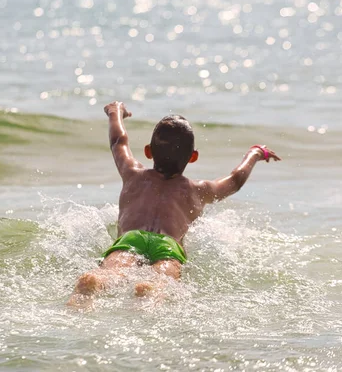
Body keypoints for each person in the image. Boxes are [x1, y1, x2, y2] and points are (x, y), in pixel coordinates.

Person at [67, 101, 281, 306]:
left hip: (131, 237)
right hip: (168, 246)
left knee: (111, 272)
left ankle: (94, 284)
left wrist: (115, 112)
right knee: (163, 281)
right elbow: (235, 180)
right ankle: (151, 289)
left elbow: (118, 142)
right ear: (193, 157)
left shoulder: (132, 173)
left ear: (148, 151)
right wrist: (255, 153)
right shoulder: (198, 190)